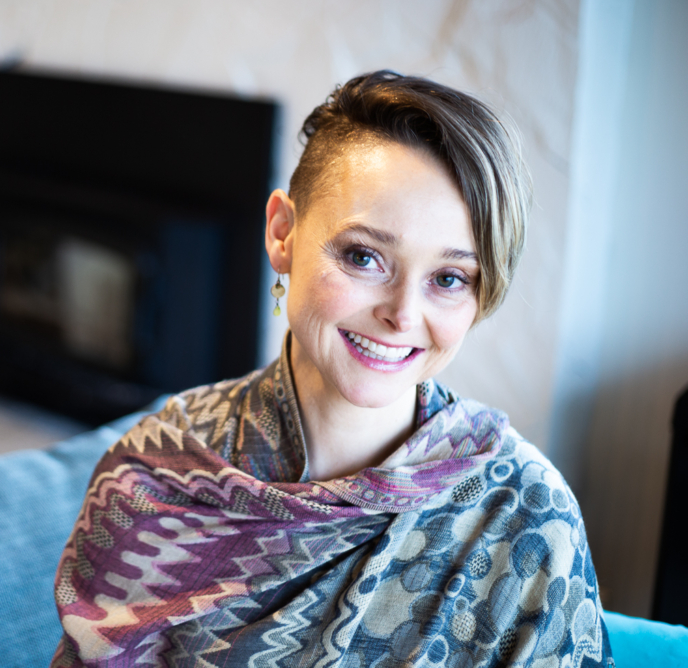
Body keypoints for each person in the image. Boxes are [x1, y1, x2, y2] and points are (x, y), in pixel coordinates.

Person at [51, 71, 613, 668]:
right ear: (282, 233)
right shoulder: (151, 470)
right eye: (364, 256)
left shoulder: (526, 515)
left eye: (449, 279)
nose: (402, 314)